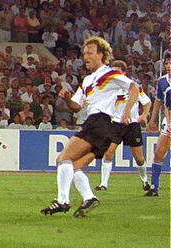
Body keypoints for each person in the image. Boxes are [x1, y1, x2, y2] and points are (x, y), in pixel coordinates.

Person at [44, 36, 138, 217]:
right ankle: (89, 198)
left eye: (90, 53)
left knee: (63, 158)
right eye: (84, 53)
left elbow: (133, 88)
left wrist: (126, 112)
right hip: (103, 128)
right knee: (74, 166)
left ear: (101, 55)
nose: (85, 57)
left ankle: (63, 201)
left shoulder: (109, 74)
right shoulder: (87, 81)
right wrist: (66, 99)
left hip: (99, 122)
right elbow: (76, 107)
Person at [96, 60, 152, 192]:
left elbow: (147, 102)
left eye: (117, 72)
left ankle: (145, 181)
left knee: (139, 158)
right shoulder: (109, 88)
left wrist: (144, 115)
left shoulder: (134, 87)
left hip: (132, 125)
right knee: (108, 153)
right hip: (116, 124)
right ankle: (103, 184)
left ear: (124, 72)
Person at [146, 53, 171, 197]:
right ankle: (154, 187)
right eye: (166, 63)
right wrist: (152, 120)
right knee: (159, 152)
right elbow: (159, 102)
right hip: (168, 120)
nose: (168, 66)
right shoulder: (162, 81)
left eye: (170, 63)